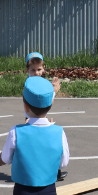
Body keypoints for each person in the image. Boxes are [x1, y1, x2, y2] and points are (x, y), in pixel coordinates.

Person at [26, 53, 66, 181]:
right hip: (31, 118)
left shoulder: (40, 82)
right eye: (33, 70)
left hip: (39, 117)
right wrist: (53, 92)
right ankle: (50, 172)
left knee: (42, 145)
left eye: (39, 69)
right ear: (27, 70)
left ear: (44, 69)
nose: (36, 72)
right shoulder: (31, 84)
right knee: (40, 146)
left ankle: (54, 171)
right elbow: (45, 104)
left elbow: (45, 105)